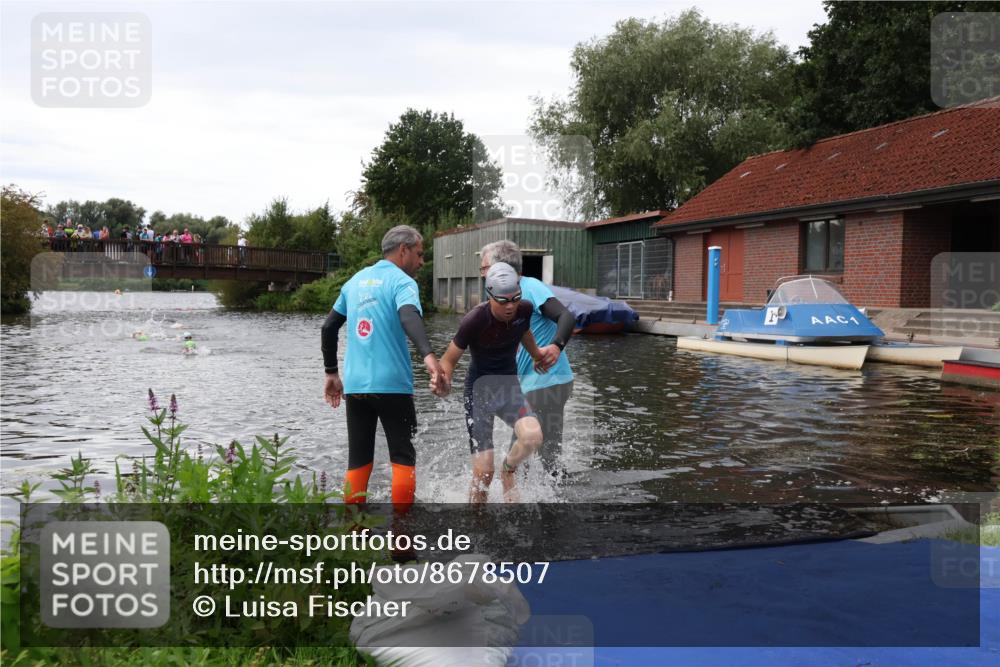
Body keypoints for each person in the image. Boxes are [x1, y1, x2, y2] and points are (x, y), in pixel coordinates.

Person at [322, 225, 444, 509]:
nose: (422, 261)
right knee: (402, 457)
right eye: (419, 253)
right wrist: (428, 356)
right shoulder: (402, 282)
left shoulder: (354, 282)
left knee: (358, 460)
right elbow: (409, 316)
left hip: (355, 386)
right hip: (393, 386)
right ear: (404, 250)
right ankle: (402, 540)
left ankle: (354, 534)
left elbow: (328, 327)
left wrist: (331, 373)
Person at [439, 262, 552, 503]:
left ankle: (508, 470)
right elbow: (448, 361)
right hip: (479, 393)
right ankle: (477, 524)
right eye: (503, 301)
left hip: (509, 389)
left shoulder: (525, 309)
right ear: (489, 295)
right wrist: (443, 380)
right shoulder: (474, 320)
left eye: (515, 299)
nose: (510, 306)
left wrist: (536, 354)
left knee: (533, 436)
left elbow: (523, 331)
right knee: (484, 473)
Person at [480, 241, 576, 478]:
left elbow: (566, 316)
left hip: (546, 381)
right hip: (538, 383)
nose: (482, 273)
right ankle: (555, 504)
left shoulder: (530, 287)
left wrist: (556, 345)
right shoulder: (504, 296)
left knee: (523, 450)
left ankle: (511, 505)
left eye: (484, 268)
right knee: (545, 455)